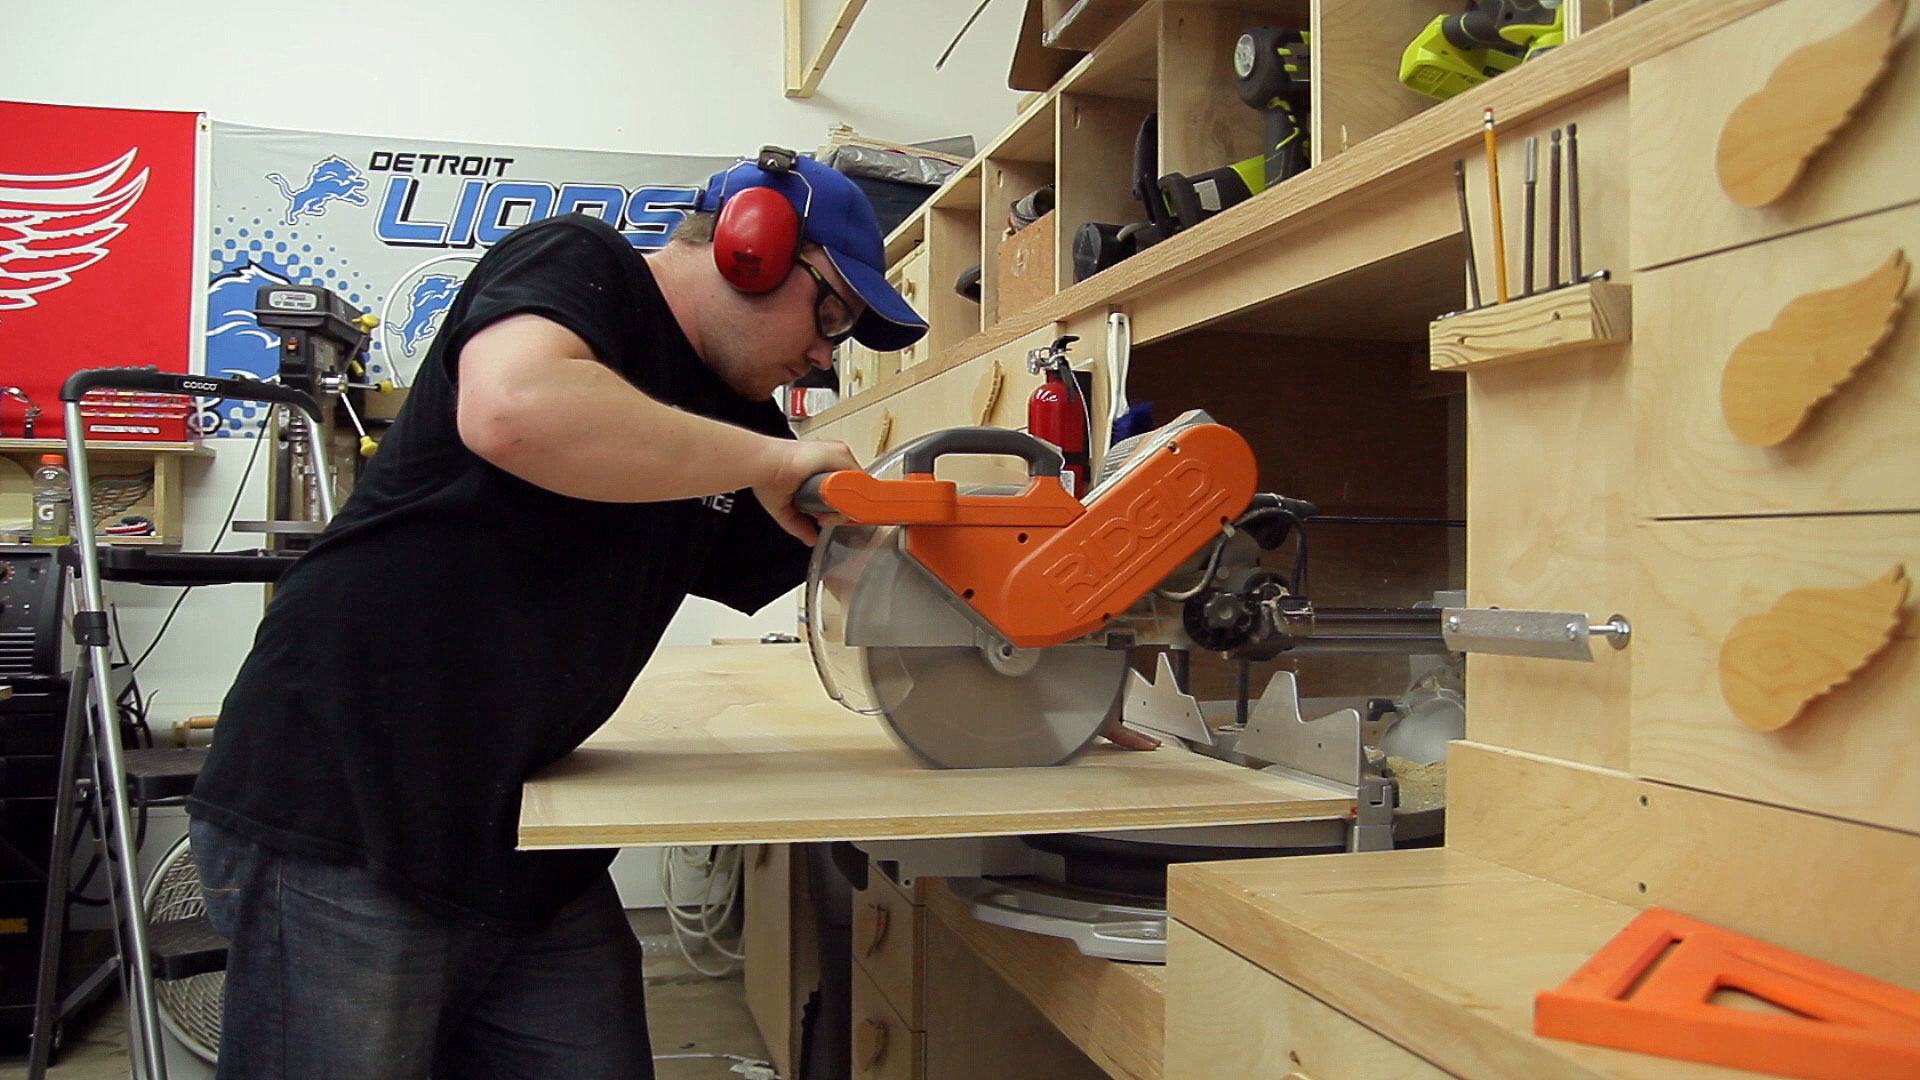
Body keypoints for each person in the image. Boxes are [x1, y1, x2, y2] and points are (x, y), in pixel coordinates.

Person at [184, 150, 922, 1080]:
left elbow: (858, 574)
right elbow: (516, 411)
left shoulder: (740, 431)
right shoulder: (580, 266)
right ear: (753, 245)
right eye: (831, 310)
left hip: (525, 841)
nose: (826, 349)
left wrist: (1055, 670)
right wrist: (768, 464)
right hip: (348, 809)